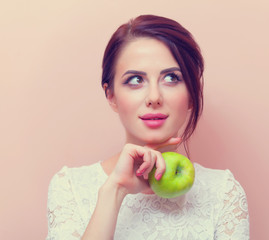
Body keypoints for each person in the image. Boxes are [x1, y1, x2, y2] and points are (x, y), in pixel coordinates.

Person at [46, 15, 249, 239]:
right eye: (135, 80)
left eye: (172, 77)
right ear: (111, 96)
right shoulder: (70, 188)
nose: (154, 97)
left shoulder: (222, 193)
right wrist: (115, 190)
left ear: (191, 95)